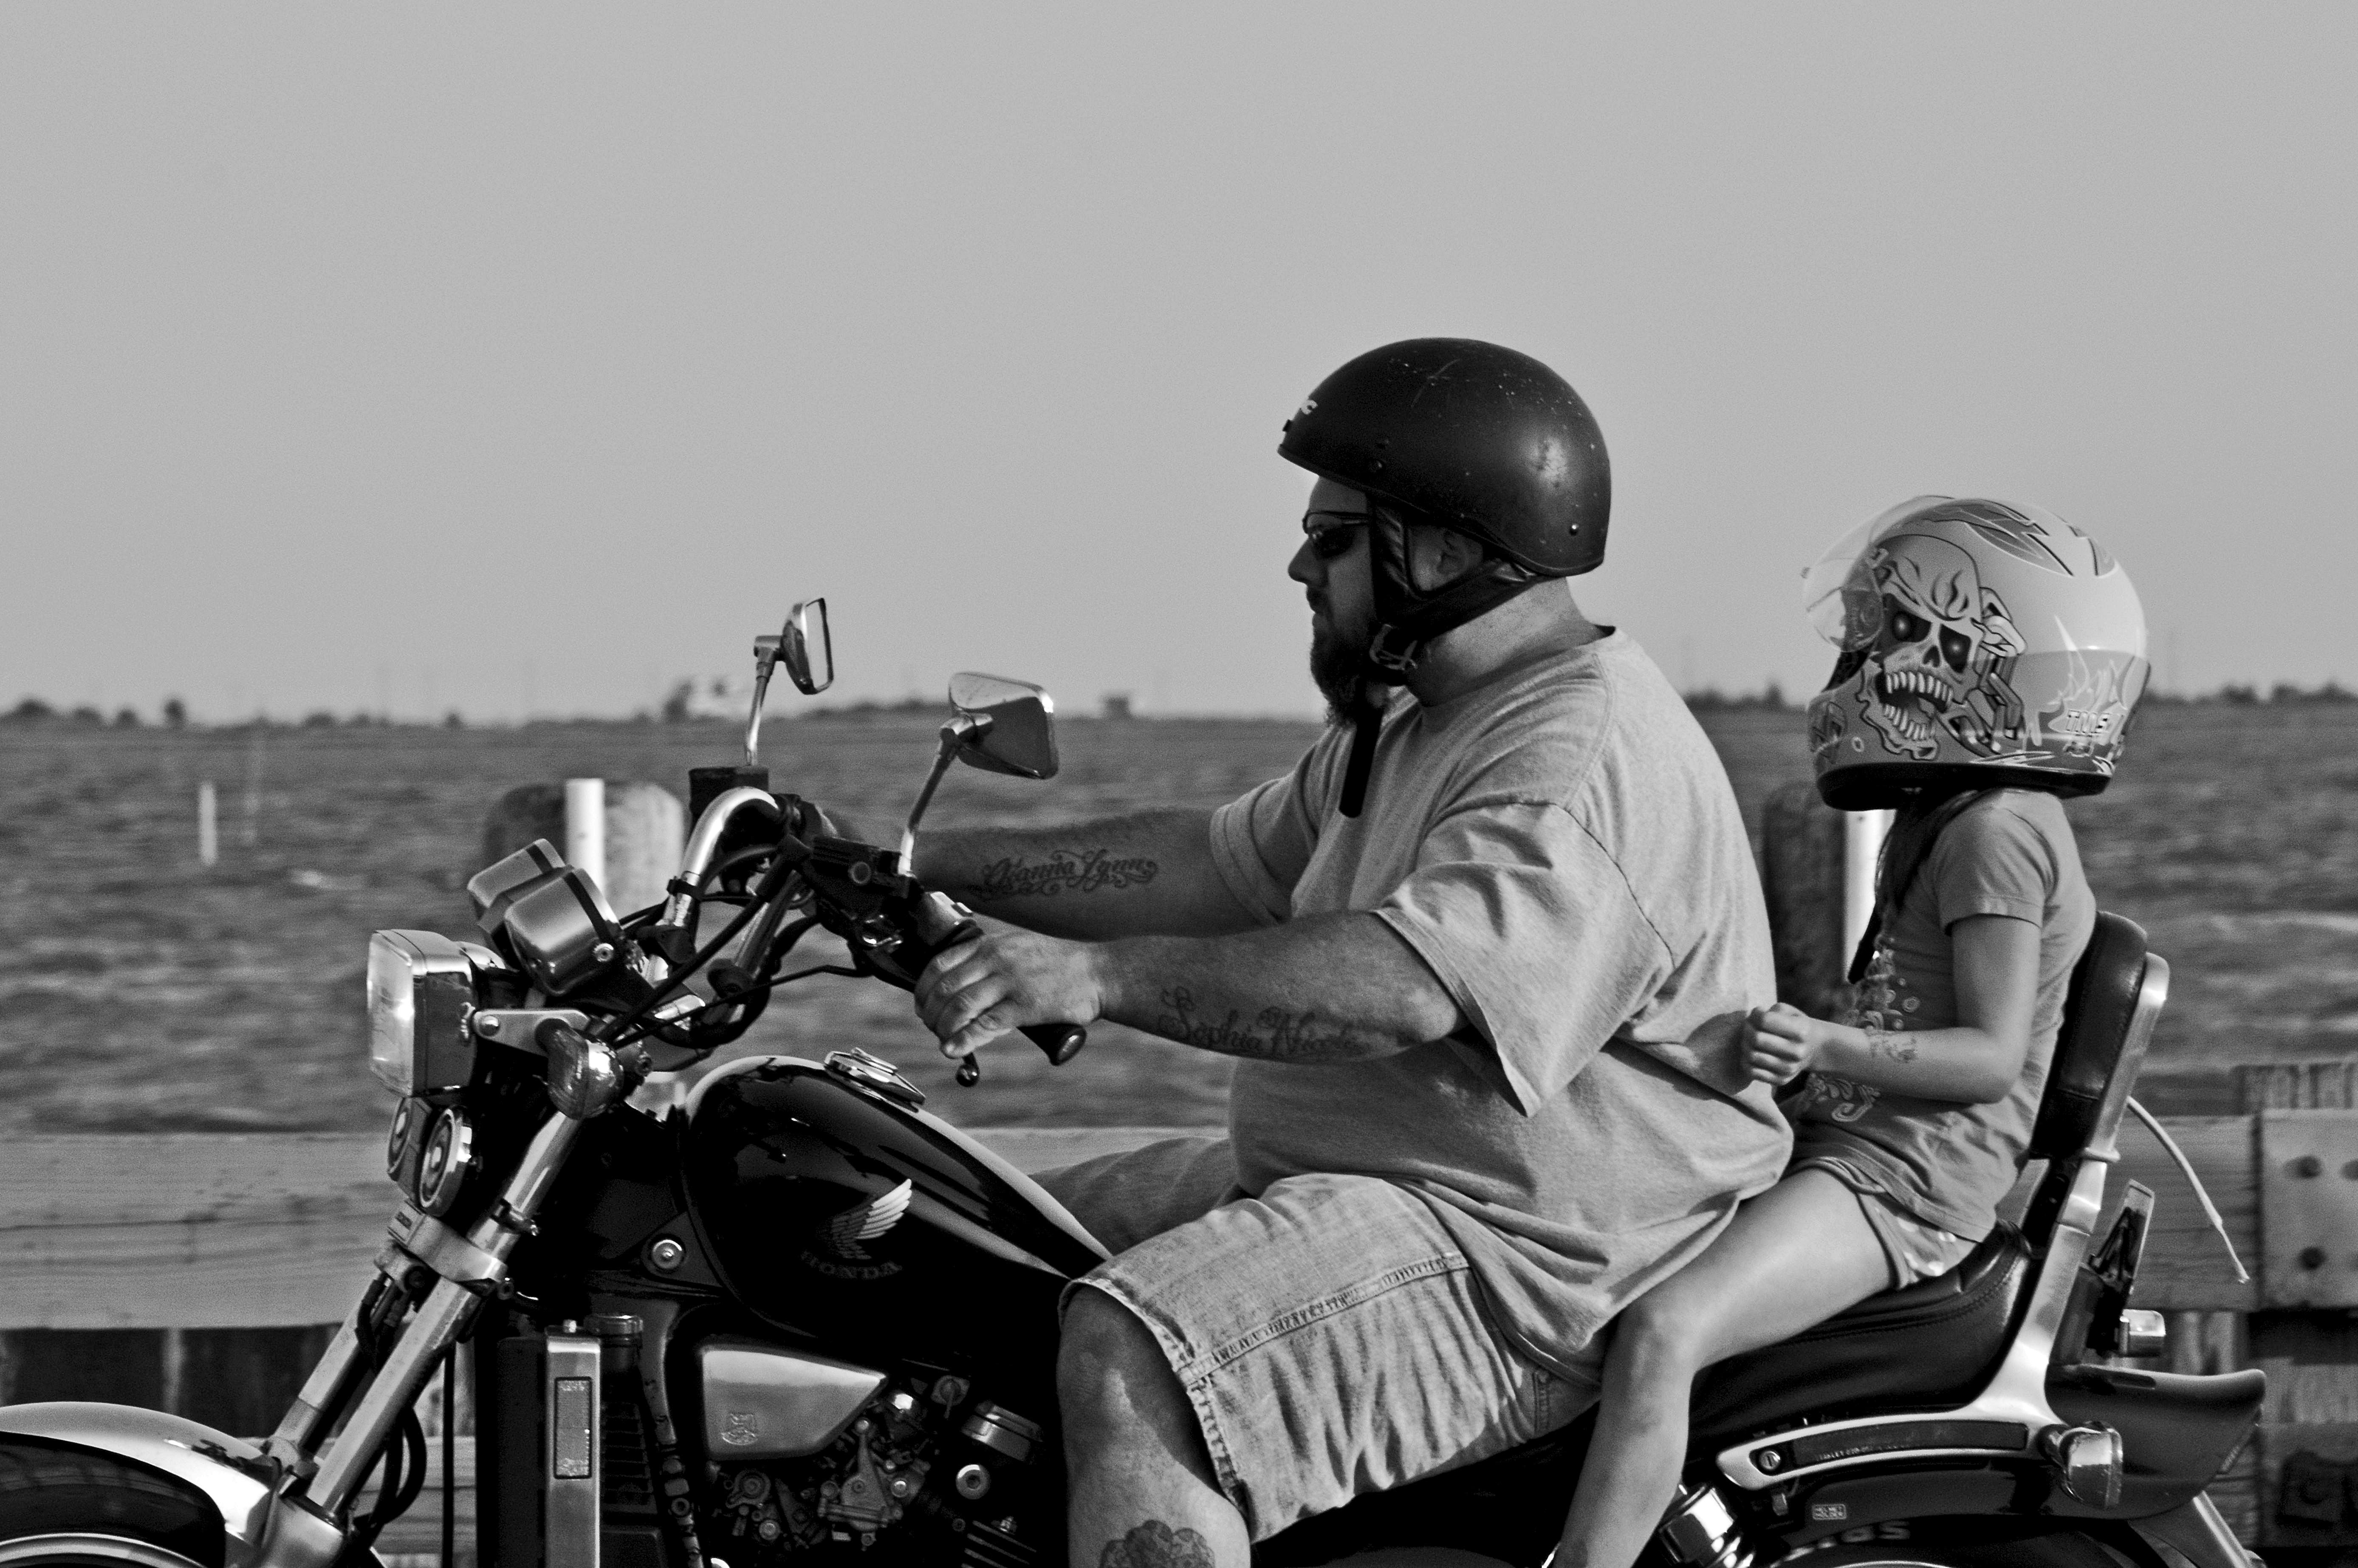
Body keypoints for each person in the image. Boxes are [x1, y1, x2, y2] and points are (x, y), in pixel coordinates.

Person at [892, 338, 1790, 1567]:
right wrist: (913, 861)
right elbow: (1214, 863)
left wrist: (1100, 979)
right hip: (1364, 1183)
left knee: (1138, 1347)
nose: (1299, 566)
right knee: (961, 1233)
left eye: (1333, 538)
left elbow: (1403, 987)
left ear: (1438, 547)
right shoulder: (1424, 717)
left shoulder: (1573, 759)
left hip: (1525, 1266)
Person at [1554, 495, 2152, 1568]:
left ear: (1971, 662)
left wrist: (1819, 1047)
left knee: (1663, 1332)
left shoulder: (1998, 835)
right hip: (1860, 1153)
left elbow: (1984, 1058)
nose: (1849, 676)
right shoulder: (1961, 818)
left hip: (1901, 1190)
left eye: (1876, 643)